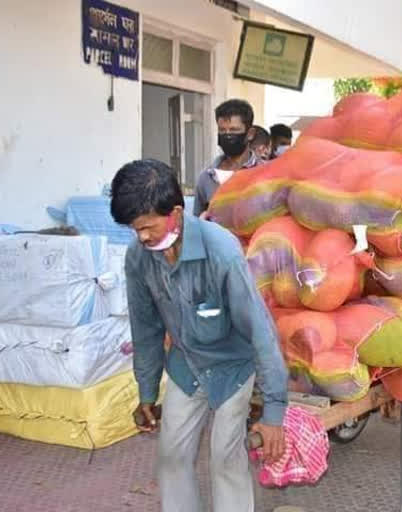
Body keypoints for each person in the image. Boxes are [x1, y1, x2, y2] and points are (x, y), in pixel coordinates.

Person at [110, 159, 287, 512]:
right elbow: (145, 330)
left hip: (233, 367)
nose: (142, 236)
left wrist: (273, 412)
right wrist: (146, 392)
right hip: (186, 365)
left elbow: (260, 331)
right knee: (171, 455)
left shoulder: (221, 250)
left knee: (225, 458)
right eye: (135, 229)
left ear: (175, 212)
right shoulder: (139, 259)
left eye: (147, 226)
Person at [194, 99, 263, 217]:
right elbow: (198, 220)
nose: (227, 135)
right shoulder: (206, 177)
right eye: (222, 130)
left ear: (250, 134)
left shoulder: (265, 172)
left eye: (234, 130)